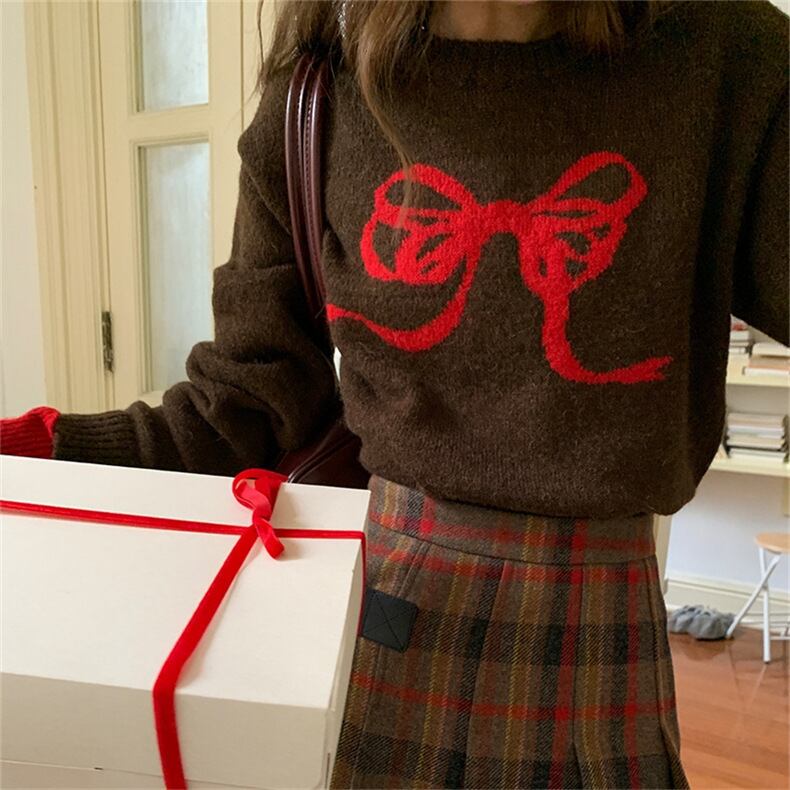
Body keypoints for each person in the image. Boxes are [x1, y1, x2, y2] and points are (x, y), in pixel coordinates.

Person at [3, 0, 788, 787]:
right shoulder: (313, 98)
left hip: (600, 648)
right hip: (384, 630)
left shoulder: (730, 60)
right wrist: (36, 446)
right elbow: (242, 402)